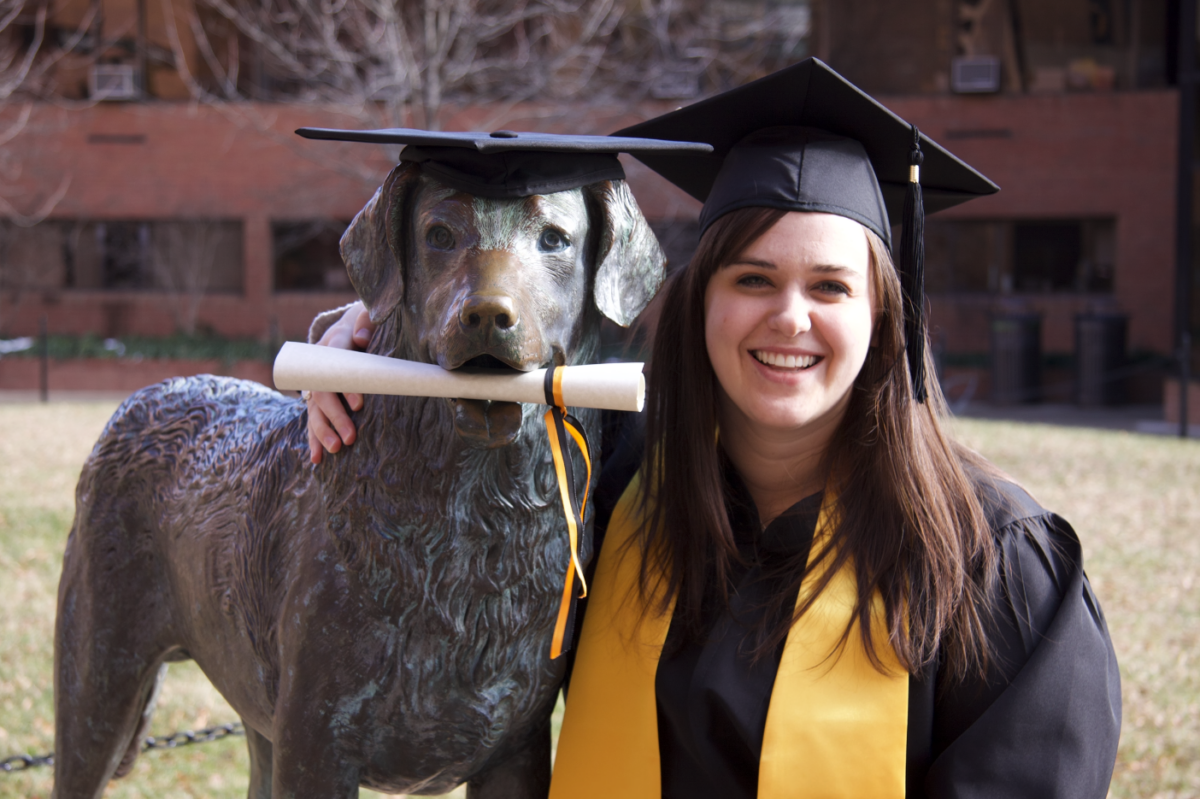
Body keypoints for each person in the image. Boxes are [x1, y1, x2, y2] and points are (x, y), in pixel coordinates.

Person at [305, 59, 1121, 799]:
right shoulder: (612, 480)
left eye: (831, 286)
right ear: (703, 302)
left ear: (883, 314)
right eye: (753, 277)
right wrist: (365, 335)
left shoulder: (997, 573)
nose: (789, 317)